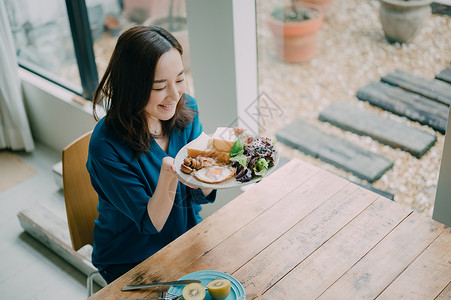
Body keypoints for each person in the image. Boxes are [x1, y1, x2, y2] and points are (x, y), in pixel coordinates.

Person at [86, 25, 216, 284]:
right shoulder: (106, 147)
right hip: (131, 258)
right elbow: (150, 223)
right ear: (132, 87)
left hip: (184, 235)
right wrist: (169, 176)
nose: (175, 94)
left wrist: (215, 164)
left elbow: (197, 193)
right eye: (160, 87)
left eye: (179, 79)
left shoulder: (186, 108)